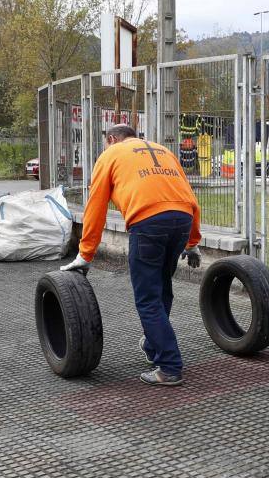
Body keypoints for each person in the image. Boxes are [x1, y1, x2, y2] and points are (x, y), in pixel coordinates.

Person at [61, 124, 203, 387]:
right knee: (162, 288)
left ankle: (169, 367)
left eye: (106, 143)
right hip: (181, 220)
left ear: (112, 139)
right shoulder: (164, 151)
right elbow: (189, 197)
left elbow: (96, 207)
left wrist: (85, 254)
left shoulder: (110, 155)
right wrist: (193, 241)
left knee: (148, 298)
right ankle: (153, 345)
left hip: (148, 222)